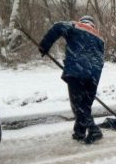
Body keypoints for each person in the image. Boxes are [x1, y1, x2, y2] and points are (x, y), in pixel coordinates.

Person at [39, 15, 105, 144]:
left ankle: (94, 130)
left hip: (77, 72)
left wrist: (44, 46)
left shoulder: (76, 26)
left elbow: (58, 26)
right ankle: (79, 132)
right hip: (94, 75)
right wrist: (92, 74)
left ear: (83, 21)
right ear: (92, 24)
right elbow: (101, 59)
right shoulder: (99, 37)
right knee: (85, 105)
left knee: (78, 105)